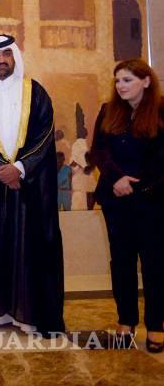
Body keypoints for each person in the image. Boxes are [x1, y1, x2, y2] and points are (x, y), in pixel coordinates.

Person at [0, 35, 64, 335]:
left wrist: (19, 168)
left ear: (14, 57)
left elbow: (45, 134)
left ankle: (33, 314)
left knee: (33, 247)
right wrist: (0, 169)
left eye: (6, 54)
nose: (1, 60)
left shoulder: (36, 92)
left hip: (30, 185)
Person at [90, 59, 164, 353]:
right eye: (118, 80)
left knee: (155, 263)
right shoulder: (108, 111)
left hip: (152, 199)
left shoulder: (161, 110)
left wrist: (137, 184)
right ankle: (126, 321)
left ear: (146, 81)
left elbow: (161, 157)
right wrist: (117, 179)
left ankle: (156, 325)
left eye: (128, 80)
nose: (121, 86)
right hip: (115, 198)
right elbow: (98, 151)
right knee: (121, 261)